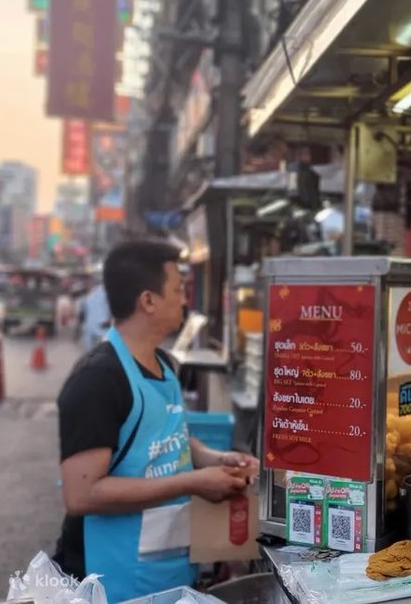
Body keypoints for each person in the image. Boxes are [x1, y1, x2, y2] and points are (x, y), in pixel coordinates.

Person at [54, 240, 257, 601]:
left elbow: (166, 438)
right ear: (147, 301)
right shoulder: (98, 379)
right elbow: (82, 495)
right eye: (178, 290)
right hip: (107, 583)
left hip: (167, 575)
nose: (184, 300)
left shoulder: (162, 365)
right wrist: (192, 482)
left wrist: (215, 459)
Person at [80, 280, 111, 352]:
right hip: (103, 324)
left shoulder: (90, 296)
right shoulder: (105, 292)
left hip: (91, 326)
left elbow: (85, 311)